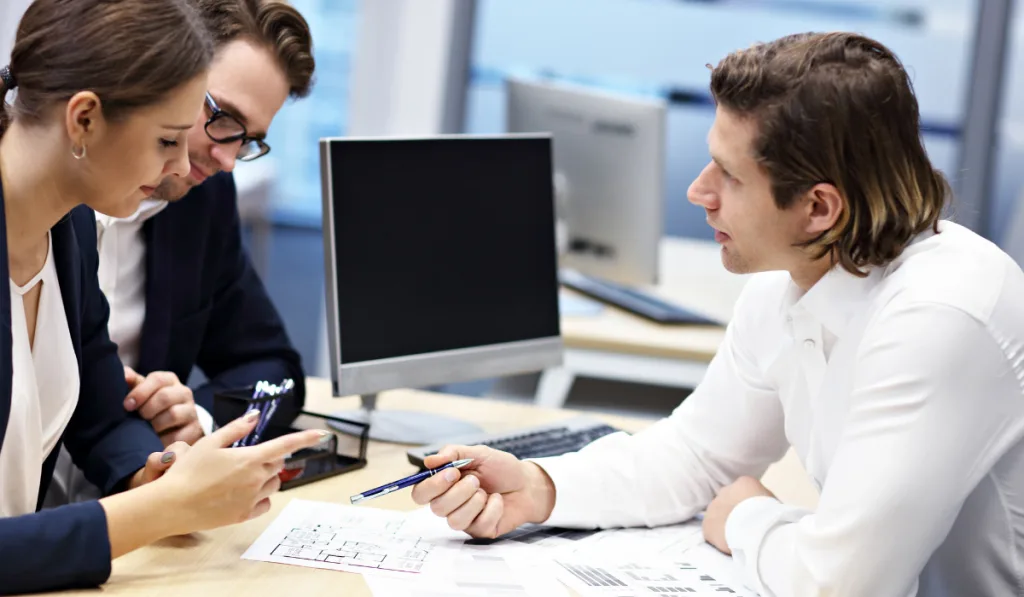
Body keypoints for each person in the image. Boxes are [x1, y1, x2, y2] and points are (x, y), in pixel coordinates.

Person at [413, 32, 1024, 597]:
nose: (698, 191)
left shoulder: (941, 314)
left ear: (818, 209)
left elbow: (837, 584)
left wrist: (746, 517)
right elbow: (697, 456)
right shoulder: (791, 275)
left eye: (728, 175)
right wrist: (541, 489)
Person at [0, 0, 325, 592]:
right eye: (169, 138)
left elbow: (102, 408)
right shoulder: (77, 212)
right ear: (85, 120)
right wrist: (160, 508)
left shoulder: (64, 229)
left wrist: (158, 473)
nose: (203, 164)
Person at [47, 0, 314, 505]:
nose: (229, 159)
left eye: (250, 140)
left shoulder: (201, 201)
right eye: (224, 119)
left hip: (121, 505)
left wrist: (199, 421)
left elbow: (273, 366)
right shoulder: (42, 206)